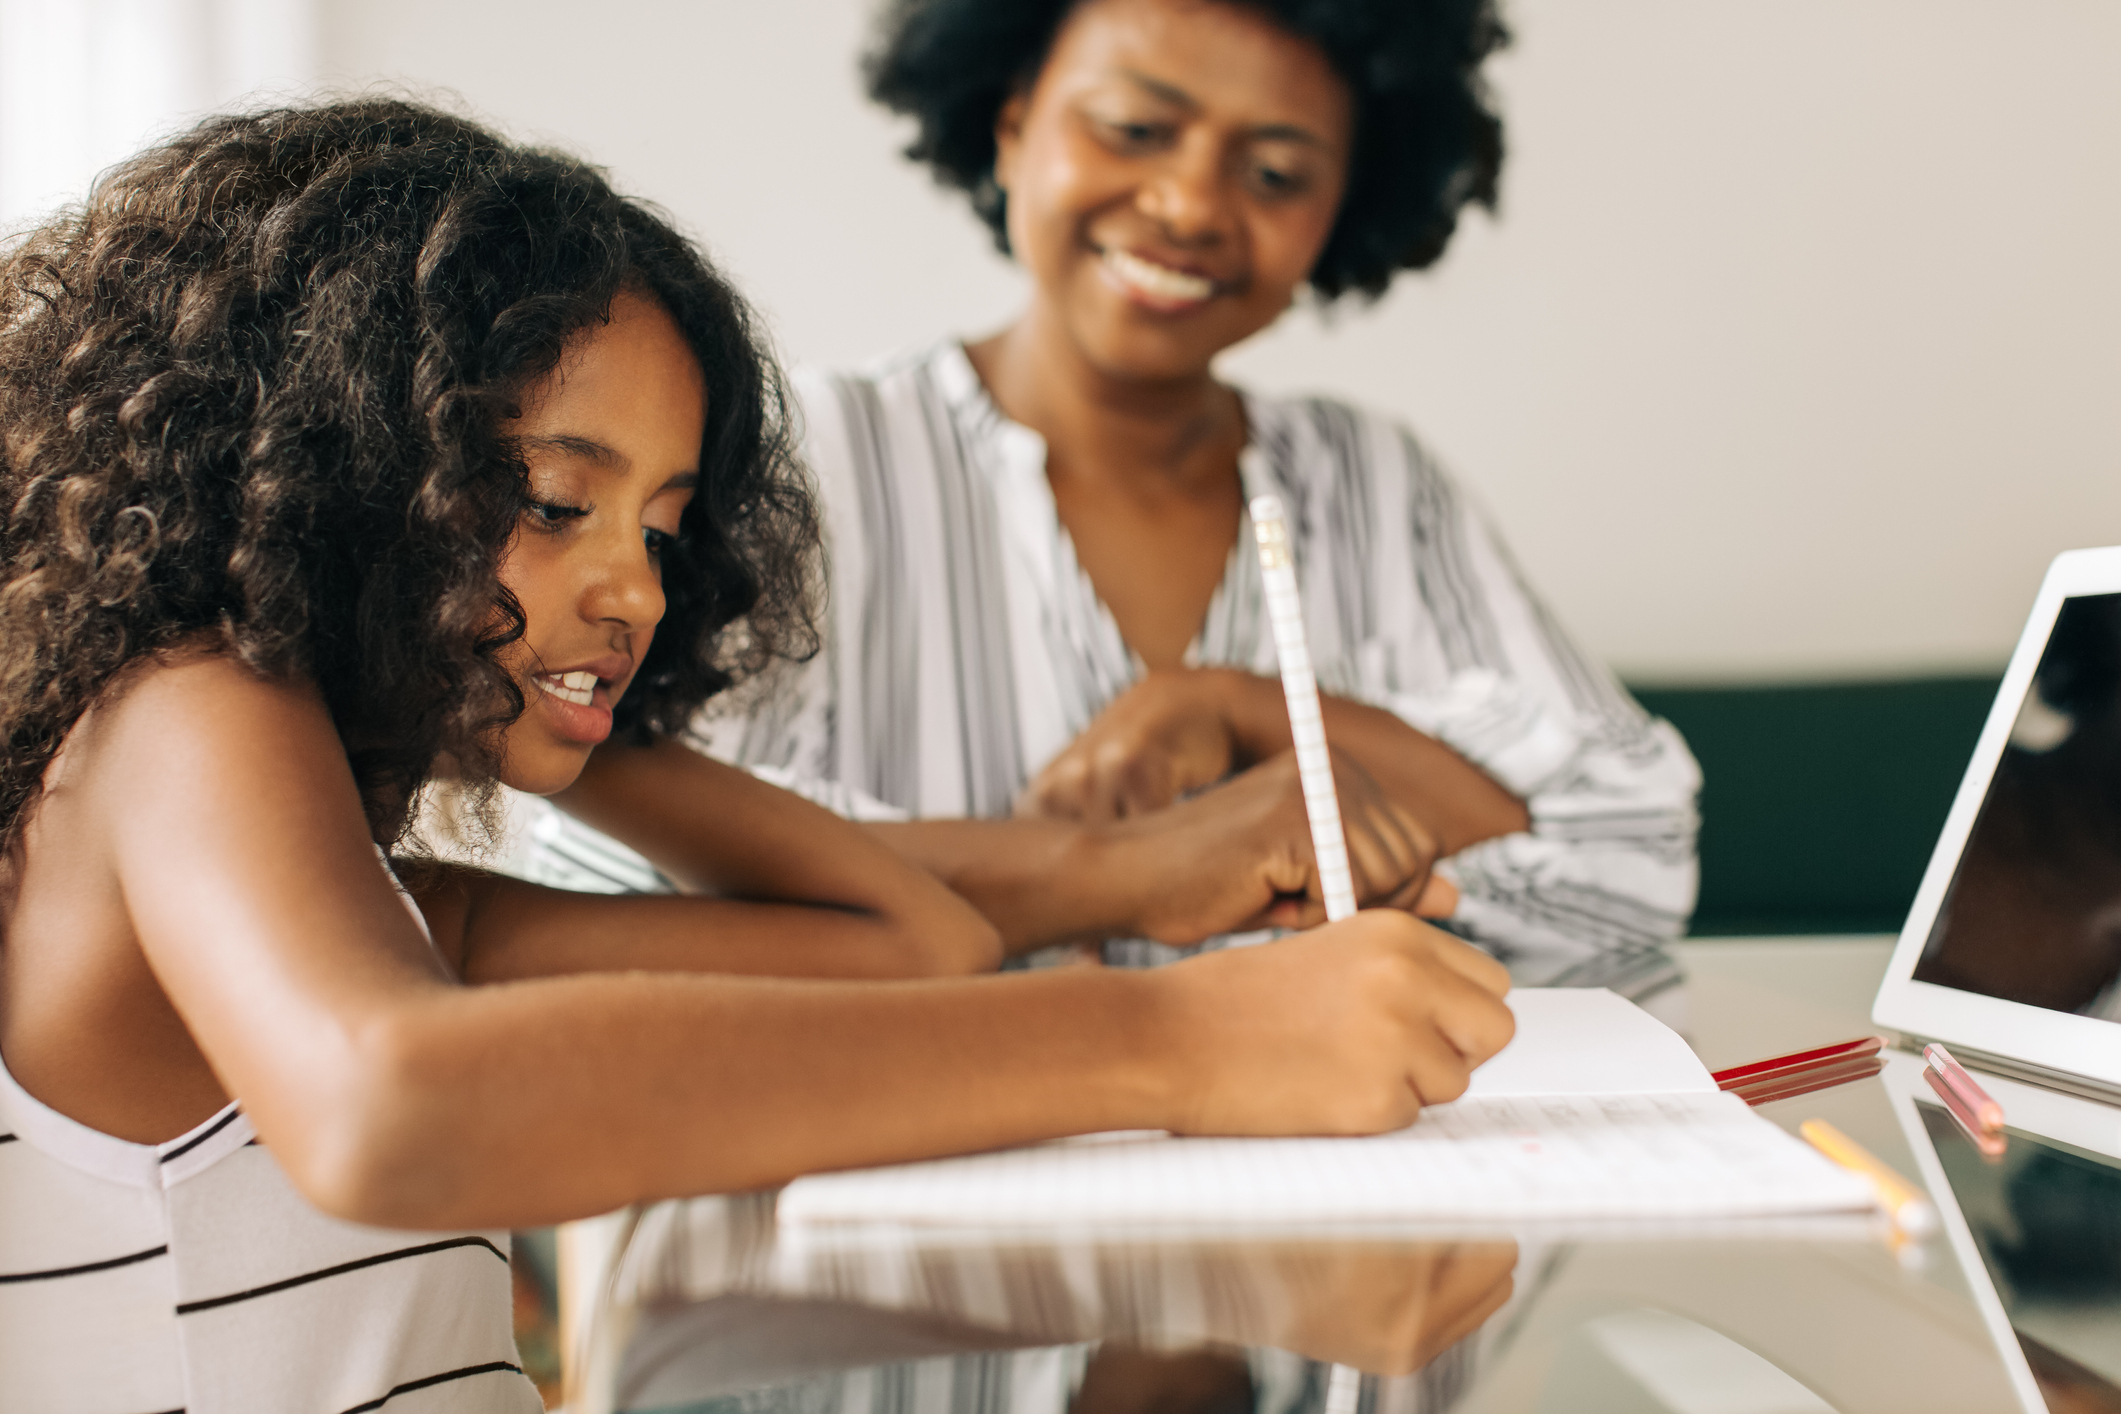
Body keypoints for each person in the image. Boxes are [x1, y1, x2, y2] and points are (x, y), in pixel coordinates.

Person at [0, 100, 1514, 1411]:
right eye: (548, 499)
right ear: (317, 466)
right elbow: (394, 1107)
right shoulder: (179, 714)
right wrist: (1186, 1041)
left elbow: (913, 942)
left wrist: (569, 705)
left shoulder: (400, 908)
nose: (640, 591)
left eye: (662, 531)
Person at [526, 0, 1701, 996]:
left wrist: (1240, 708)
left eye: (1276, 171)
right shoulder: (806, 463)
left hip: (1317, 1235)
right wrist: (1132, 864)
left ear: (1346, 206)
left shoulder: (1375, 483)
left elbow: (1630, 872)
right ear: (1011, 124)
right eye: (1137, 127)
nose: (1191, 204)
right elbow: (618, 876)